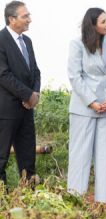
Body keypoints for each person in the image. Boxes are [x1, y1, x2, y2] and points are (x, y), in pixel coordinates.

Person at [67, 8, 106, 206]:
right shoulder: (77, 44)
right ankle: (75, 201)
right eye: (103, 21)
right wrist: (92, 102)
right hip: (84, 107)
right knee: (80, 156)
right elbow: (75, 76)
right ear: (93, 25)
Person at [0, 1, 41, 188]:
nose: (29, 20)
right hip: (6, 110)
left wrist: (35, 94)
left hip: (26, 110)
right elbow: (3, 74)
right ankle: (3, 204)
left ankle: (30, 200)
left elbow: (35, 71)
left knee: (27, 158)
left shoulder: (28, 41)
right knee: (1, 157)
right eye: (25, 16)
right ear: (11, 19)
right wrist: (27, 95)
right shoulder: (1, 40)